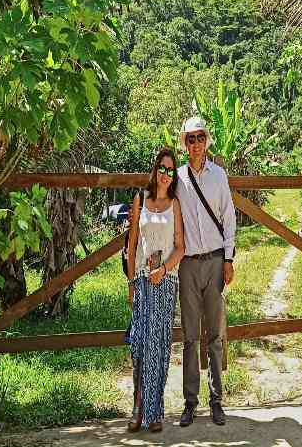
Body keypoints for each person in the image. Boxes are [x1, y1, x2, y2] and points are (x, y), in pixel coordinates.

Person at [176, 116, 237, 427]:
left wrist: (228, 259)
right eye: (190, 138)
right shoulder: (177, 178)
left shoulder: (219, 176)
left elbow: (229, 218)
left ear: (207, 140)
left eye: (200, 137)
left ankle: (216, 401)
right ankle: (190, 403)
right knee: (189, 337)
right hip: (187, 265)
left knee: (214, 335)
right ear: (184, 144)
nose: (196, 143)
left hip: (214, 262)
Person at [126, 148, 186, 433]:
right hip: (141, 280)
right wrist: (130, 281)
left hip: (164, 281)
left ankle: (154, 412)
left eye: (171, 170)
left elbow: (180, 247)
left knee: (158, 346)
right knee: (139, 343)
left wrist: (162, 271)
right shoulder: (141, 199)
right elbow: (132, 243)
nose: (165, 174)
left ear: (174, 176)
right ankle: (138, 405)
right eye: (162, 168)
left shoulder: (175, 204)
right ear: (155, 170)